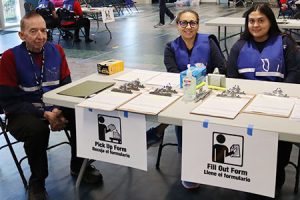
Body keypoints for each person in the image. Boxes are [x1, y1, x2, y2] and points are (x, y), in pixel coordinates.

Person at [0, 12, 102, 200]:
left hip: (55, 107)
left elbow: (67, 87)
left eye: (43, 30)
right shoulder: (9, 58)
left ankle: (79, 165)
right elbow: (9, 102)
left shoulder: (57, 51)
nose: (40, 36)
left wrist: (58, 110)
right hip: (23, 112)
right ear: (21, 35)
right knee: (38, 130)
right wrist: (44, 114)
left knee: (83, 115)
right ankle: (37, 181)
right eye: (33, 31)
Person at [227, 3, 300, 198]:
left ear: (270, 21)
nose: (255, 25)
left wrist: (278, 96)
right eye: (251, 21)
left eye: (261, 20)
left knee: (277, 155)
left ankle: (275, 183)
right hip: (247, 109)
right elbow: (232, 78)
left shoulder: (286, 42)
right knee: (248, 150)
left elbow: (295, 72)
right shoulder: (239, 46)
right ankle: (249, 178)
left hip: (279, 108)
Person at [149, 9, 226, 189]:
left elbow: (221, 68)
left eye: (192, 23)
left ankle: (159, 132)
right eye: (184, 23)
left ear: (198, 25)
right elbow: (173, 74)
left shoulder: (209, 42)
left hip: (209, 93)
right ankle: (189, 162)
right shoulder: (171, 47)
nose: (188, 27)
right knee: (183, 113)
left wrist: (203, 85)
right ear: (178, 25)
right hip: (184, 94)